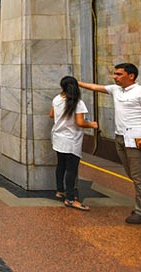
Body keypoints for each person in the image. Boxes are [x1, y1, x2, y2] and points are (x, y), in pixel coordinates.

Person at [78, 63, 141, 224]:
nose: (115, 77)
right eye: (115, 74)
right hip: (121, 137)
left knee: (140, 178)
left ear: (131, 76)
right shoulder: (116, 90)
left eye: (118, 74)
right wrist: (77, 83)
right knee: (134, 176)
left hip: (137, 139)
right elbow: (96, 87)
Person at [50, 76, 98, 211]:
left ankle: (60, 191)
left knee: (61, 166)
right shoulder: (78, 103)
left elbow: (51, 115)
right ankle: (70, 199)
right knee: (71, 170)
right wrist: (92, 124)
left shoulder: (57, 99)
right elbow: (80, 122)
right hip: (71, 140)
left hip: (58, 137)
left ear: (62, 87)